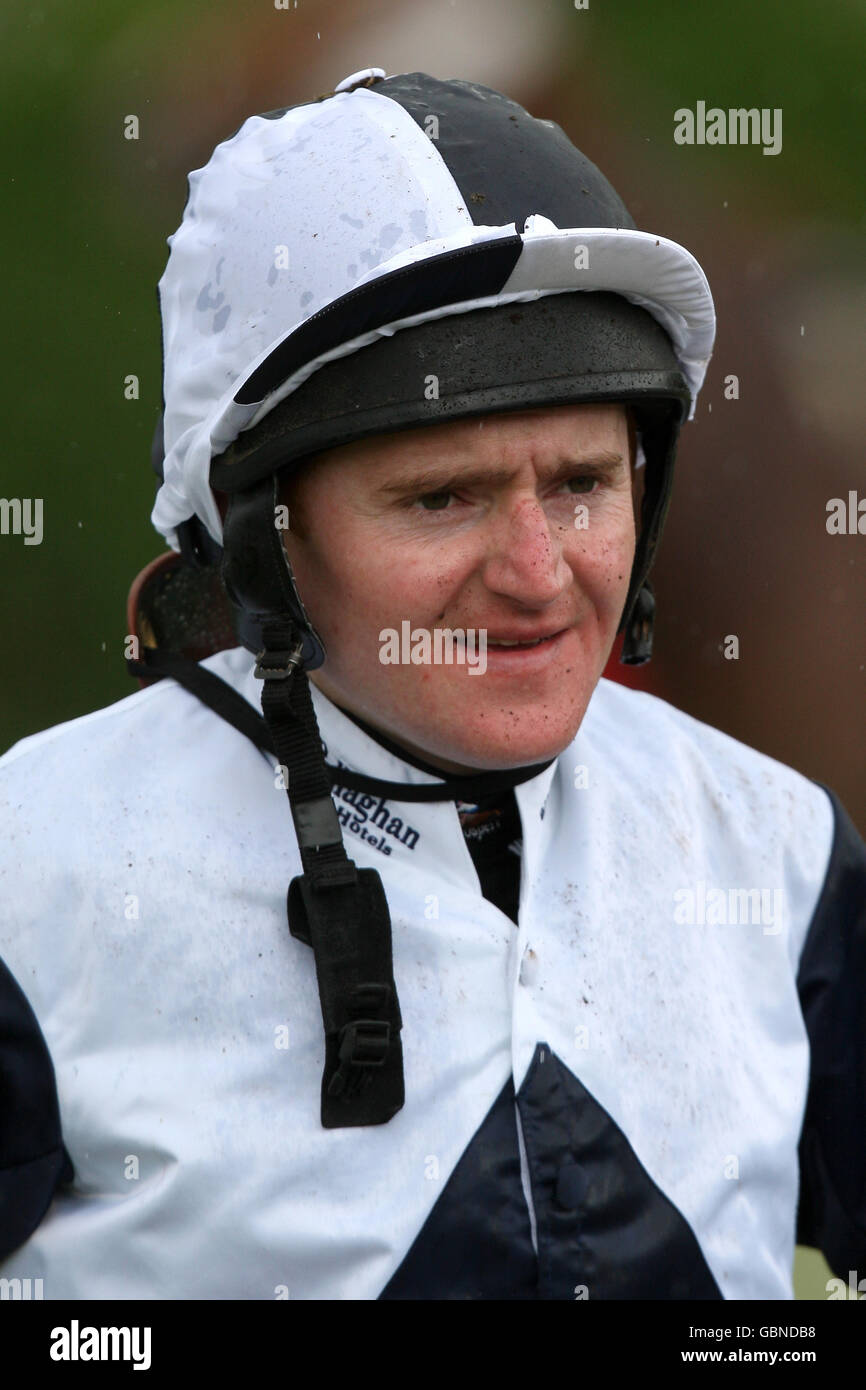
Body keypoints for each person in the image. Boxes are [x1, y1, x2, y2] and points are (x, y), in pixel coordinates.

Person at [1, 67, 863, 1302]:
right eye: (439, 499)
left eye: (579, 484)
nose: (535, 573)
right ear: (261, 539)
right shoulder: (31, 876)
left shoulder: (776, 850)